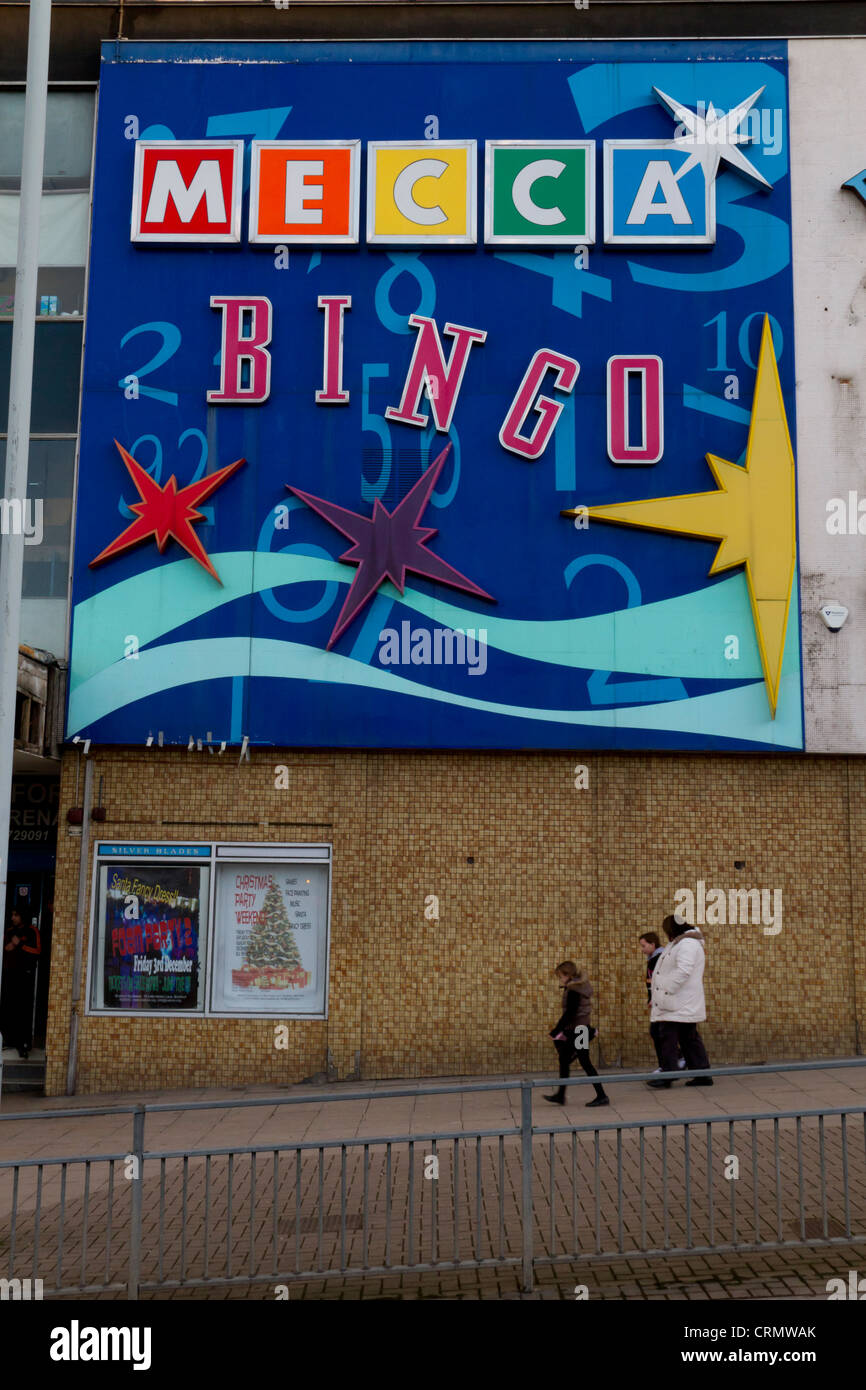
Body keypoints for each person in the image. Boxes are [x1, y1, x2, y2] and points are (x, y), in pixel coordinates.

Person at [647, 914, 712, 1088]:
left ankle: (669, 1074)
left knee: (666, 1037)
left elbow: (684, 970)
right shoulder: (681, 943)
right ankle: (702, 1074)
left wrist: (666, 989)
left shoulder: (687, 944)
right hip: (679, 1001)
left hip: (677, 1001)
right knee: (688, 1038)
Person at [543, 960, 609, 1107]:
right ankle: (561, 1095)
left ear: (568, 975)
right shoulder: (577, 987)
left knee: (585, 1062)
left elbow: (570, 1014)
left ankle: (602, 1095)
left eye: (560, 976)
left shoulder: (574, 990)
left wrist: (556, 1030)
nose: (560, 979)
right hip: (580, 1030)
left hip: (579, 1031)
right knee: (565, 1059)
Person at [639, 932, 686, 1074]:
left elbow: (662, 981)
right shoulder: (653, 959)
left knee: (658, 1032)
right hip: (658, 1001)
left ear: (653, 944)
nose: (642, 949)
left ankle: (668, 1064)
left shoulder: (659, 959)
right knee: (661, 1033)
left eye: (644, 945)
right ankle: (676, 1059)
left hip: (662, 1002)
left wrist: (655, 998)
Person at [1, 907, 41, 1058]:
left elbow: (37, 951)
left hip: (25, 976)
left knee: (23, 1010)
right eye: (12, 915)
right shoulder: (9, 930)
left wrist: (20, 945)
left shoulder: (32, 931)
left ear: (22, 916)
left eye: (16, 915)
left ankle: (23, 1043)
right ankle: (8, 1040)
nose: (13, 918)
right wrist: (10, 946)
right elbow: (5, 947)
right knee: (8, 1007)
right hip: (9, 975)